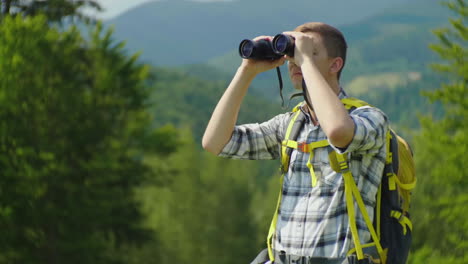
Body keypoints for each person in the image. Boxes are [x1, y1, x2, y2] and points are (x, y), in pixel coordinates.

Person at [202, 22, 388, 264]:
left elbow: (339, 132)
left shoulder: (369, 118)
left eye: (310, 51)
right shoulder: (290, 125)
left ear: (335, 64)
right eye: (293, 54)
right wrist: (247, 70)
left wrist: (305, 62)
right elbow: (215, 142)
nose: (295, 61)